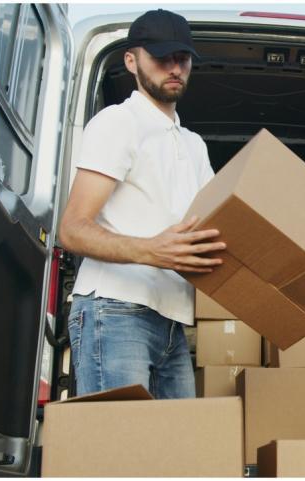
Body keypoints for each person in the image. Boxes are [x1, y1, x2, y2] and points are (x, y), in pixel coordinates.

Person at [58, 9, 225, 398]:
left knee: (175, 455)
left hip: (173, 323)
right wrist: (152, 250)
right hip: (114, 311)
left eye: (182, 59)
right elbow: (71, 229)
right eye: (161, 57)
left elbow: (217, 225)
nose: (174, 68)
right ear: (131, 61)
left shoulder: (193, 145)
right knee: (118, 452)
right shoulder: (119, 122)